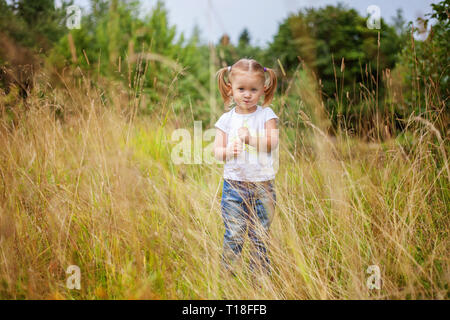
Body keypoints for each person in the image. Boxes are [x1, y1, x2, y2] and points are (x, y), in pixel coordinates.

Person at [213, 58, 279, 278]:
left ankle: (258, 279)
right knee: (234, 233)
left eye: (253, 89)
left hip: (262, 186)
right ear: (231, 89)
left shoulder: (266, 115)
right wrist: (227, 152)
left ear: (263, 89)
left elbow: (272, 142)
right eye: (242, 89)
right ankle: (227, 277)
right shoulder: (226, 120)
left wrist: (250, 139)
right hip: (234, 186)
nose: (247, 94)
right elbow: (217, 152)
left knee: (259, 236)